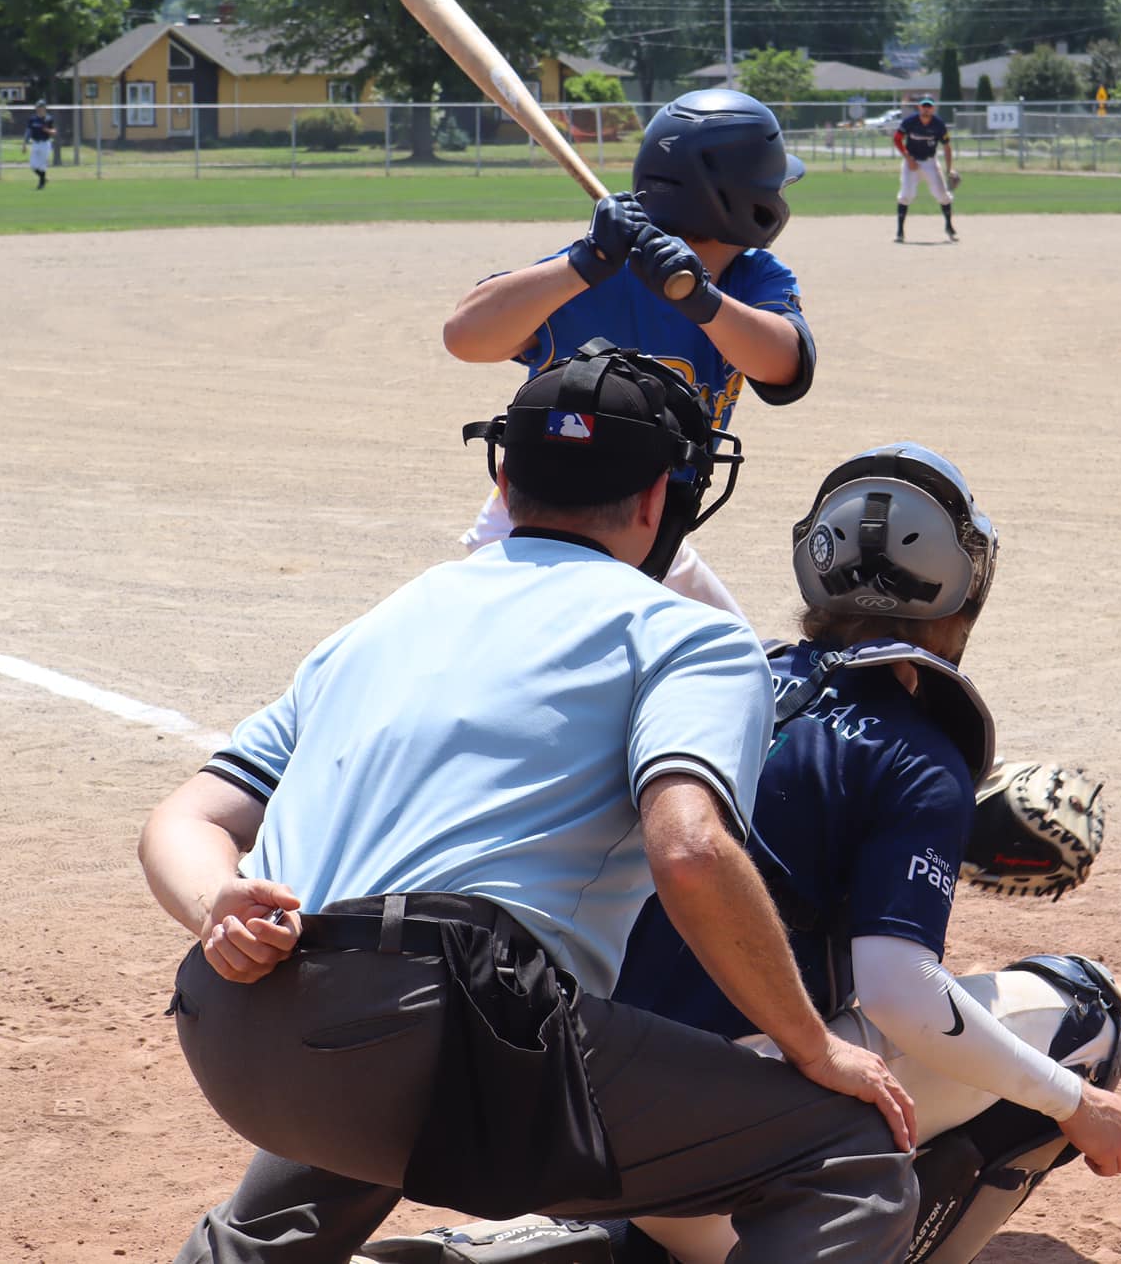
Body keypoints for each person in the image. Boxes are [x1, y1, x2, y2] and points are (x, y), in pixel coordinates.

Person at [138, 345, 919, 1264]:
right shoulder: (687, 636)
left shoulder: (378, 624)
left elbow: (183, 819)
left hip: (236, 1031)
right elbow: (690, 851)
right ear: (658, 500)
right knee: (849, 1154)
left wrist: (216, 908)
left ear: (505, 481)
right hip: (437, 1034)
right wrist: (813, 1047)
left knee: (354, 1110)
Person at [612, 444, 1121, 1264]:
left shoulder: (721, 678)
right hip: (720, 1167)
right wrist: (1075, 1102)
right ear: (964, 586)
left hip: (586, 1120)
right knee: (1086, 1013)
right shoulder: (917, 753)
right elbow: (899, 992)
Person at [442, 89, 816, 616]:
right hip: (538, 528)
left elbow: (784, 366)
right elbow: (464, 335)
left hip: (650, 524)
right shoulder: (595, 271)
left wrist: (701, 299)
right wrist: (583, 263)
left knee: (732, 652)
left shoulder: (752, 278)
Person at [893, 98, 958, 244]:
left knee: (943, 195)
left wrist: (949, 169)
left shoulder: (938, 124)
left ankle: (949, 226)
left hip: (930, 162)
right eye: (924, 106)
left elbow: (947, 147)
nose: (926, 109)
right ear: (919, 108)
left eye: (929, 107)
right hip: (911, 162)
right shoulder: (910, 121)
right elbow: (897, 139)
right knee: (906, 195)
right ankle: (900, 232)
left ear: (933, 109)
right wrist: (908, 158)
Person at [24, 100, 57, 190]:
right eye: (37, 107)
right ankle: (43, 178)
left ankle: (41, 184)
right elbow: (28, 131)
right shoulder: (32, 119)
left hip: (45, 143)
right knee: (33, 165)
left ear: (44, 108)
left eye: (40, 107)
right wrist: (24, 144)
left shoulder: (48, 119)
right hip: (35, 143)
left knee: (42, 166)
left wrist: (48, 130)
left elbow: (54, 131)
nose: (38, 109)